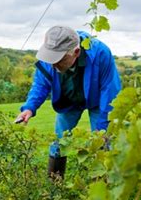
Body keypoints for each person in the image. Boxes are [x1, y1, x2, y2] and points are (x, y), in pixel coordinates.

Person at [15, 25, 121, 178]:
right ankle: (55, 183)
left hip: (98, 100)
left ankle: (102, 184)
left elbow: (109, 92)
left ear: (76, 52)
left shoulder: (100, 53)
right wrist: (29, 108)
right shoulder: (49, 56)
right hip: (68, 101)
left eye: (59, 60)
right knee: (59, 140)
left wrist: (103, 128)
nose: (53, 64)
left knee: (103, 141)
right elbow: (40, 84)